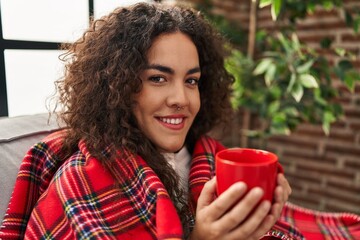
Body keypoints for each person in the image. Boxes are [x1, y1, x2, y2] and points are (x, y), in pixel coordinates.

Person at [1, 2, 359, 240]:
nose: (182, 99)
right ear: (119, 87)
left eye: (192, 80)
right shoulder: (81, 184)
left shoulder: (213, 158)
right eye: (158, 78)